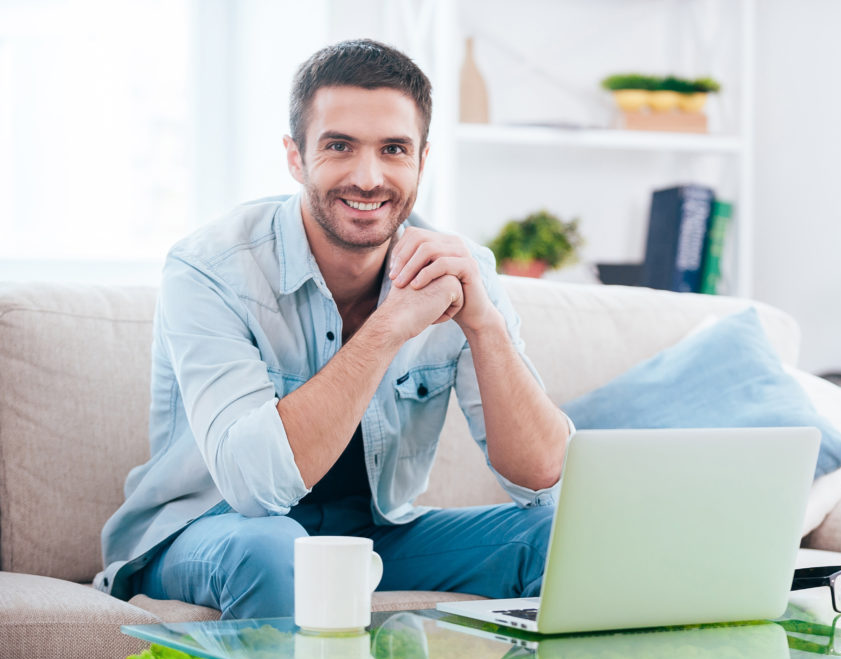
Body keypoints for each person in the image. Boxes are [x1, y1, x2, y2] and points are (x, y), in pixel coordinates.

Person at [95, 39, 572, 619]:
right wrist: (388, 327)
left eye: (394, 149)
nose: (368, 178)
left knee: (560, 538)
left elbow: (543, 482)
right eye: (339, 146)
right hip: (214, 530)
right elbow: (253, 489)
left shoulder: (458, 268)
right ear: (295, 157)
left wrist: (483, 324)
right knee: (276, 549)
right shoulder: (210, 269)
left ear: (422, 160)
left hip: (371, 536)